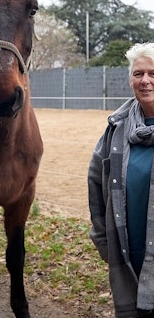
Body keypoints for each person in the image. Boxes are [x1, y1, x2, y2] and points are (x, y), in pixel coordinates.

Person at [88, 42, 154, 318]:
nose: (146, 80)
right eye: (138, 74)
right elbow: (95, 181)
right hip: (128, 255)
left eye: (153, 73)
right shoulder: (116, 129)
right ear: (130, 80)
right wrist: (104, 242)